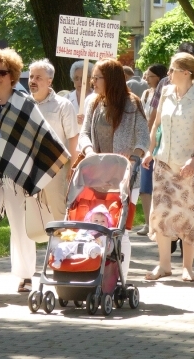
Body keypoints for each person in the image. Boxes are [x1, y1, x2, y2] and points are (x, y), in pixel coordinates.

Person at [0, 49, 69, 301]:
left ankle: (25, 276)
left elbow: (43, 137)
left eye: (2, 72)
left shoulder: (24, 103)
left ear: (12, 75)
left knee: (20, 225)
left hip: (17, 174)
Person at [142, 53, 194, 282]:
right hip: (163, 162)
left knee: (186, 214)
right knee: (160, 213)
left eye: (172, 70)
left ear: (186, 73)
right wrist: (150, 151)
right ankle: (164, 266)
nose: (168, 74)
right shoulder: (166, 93)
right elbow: (156, 125)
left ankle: (187, 267)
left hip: (188, 165)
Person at [80, 58, 150, 276]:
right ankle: (96, 273)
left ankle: (121, 278)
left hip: (125, 176)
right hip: (98, 175)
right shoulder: (93, 102)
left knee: (121, 229)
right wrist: (89, 150)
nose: (93, 81)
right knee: (96, 224)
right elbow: (83, 133)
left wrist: (134, 155)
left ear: (110, 78)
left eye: (97, 77)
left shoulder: (132, 103)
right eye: (92, 77)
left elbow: (143, 137)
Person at [28, 58, 79, 221]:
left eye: (38, 78)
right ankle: (36, 247)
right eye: (31, 77)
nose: (33, 81)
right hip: (27, 167)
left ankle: (62, 246)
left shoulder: (63, 105)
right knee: (32, 219)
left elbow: (73, 137)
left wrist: (73, 167)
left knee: (59, 214)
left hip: (55, 168)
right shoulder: (23, 103)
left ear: (49, 81)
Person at [137, 64, 168, 236]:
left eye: (150, 76)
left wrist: (150, 135)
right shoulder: (146, 94)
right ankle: (148, 223)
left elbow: (155, 120)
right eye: (146, 76)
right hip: (145, 141)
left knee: (160, 185)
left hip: (159, 140)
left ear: (159, 77)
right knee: (145, 185)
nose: (146, 79)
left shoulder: (166, 93)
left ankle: (160, 222)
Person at [67, 60, 93, 127]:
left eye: (83, 78)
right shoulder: (66, 99)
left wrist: (88, 122)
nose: (79, 81)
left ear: (90, 79)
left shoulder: (99, 99)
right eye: (76, 78)